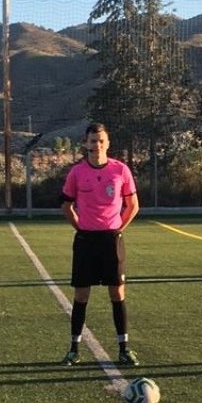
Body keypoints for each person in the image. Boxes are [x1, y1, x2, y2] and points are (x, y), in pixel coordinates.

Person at [59, 122, 141, 366]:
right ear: (86, 143)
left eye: (101, 140)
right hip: (85, 241)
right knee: (82, 294)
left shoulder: (120, 170)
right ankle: (74, 349)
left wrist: (117, 230)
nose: (97, 145)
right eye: (93, 141)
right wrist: (80, 226)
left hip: (111, 240)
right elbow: (66, 205)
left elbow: (133, 206)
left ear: (108, 143)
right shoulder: (77, 172)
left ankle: (124, 349)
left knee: (117, 293)